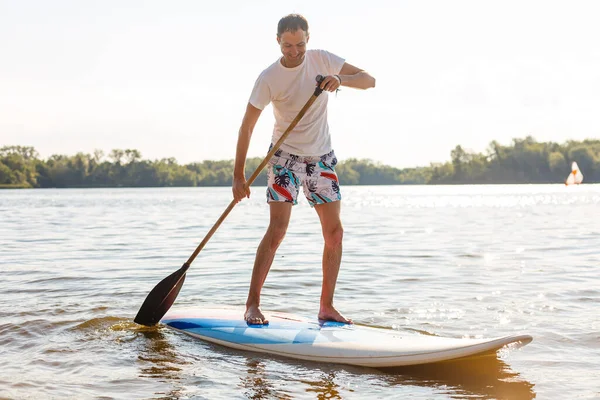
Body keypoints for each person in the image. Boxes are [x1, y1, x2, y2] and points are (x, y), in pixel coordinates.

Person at [232, 13, 375, 325]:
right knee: (278, 230)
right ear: (278, 42)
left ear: (308, 40)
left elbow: (369, 79)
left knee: (335, 233)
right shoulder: (268, 77)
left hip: (321, 159)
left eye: (299, 44)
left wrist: (341, 80)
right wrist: (238, 175)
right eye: (287, 45)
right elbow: (246, 127)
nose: (293, 51)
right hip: (284, 158)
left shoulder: (322, 60)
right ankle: (252, 304)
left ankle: (326, 307)